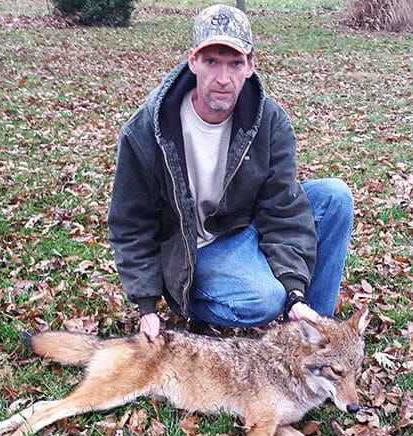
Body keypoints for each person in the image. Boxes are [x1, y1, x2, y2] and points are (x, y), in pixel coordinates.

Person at [108, 4, 353, 340]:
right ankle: (194, 299)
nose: (223, 78)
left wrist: (294, 290)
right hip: (195, 249)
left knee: (335, 196)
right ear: (193, 61)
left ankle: (312, 332)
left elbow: (282, 207)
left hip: (244, 224)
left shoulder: (269, 121)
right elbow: (131, 223)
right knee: (265, 299)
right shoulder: (146, 130)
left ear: (250, 66)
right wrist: (147, 305)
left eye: (235, 63)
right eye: (212, 62)